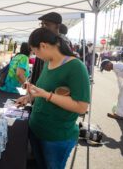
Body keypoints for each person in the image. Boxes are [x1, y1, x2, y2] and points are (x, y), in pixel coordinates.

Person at [16, 28, 90, 168]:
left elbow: (81, 106)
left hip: (56, 137)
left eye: (35, 51)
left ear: (43, 45)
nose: (35, 55)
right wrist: (29, 97)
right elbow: (42, 91)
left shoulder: (76, 67)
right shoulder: (47, 62)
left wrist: (47, 95)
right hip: (36, 129)